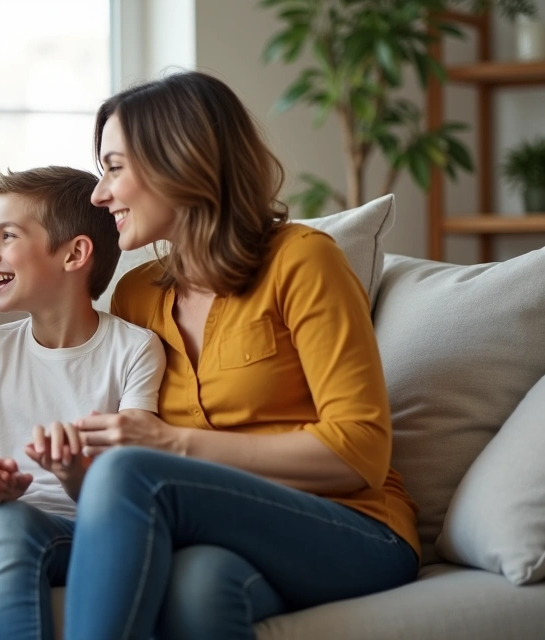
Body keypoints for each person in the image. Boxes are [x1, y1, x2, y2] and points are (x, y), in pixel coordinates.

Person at [61, 71, 420, 640]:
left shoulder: (303, 263)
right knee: (200, 587)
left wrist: (169, 444)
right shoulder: (136, 297)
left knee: (138, 474)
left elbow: (361, 453)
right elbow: (119, 476)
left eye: (114, 168)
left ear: (179, 161)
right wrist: (77, 466)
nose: (99, 193)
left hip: (356, 526)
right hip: (221, 537)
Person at [0, 167, 167, 640]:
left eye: (6, 237)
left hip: (97, 530)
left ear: (74, 253)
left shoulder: (136, 349)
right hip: (9, 527)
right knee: (6, 521)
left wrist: (73, 471)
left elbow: (130, 499)